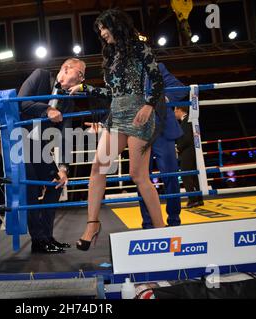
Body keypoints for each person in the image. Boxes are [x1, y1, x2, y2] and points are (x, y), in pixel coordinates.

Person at [69, 9, 166, 251]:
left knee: (138, 175)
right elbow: (112, 93)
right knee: (97, 169)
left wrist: (149, 105)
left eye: (104, 27)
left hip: (138, 116)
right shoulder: (111, 55)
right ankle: (92, 226)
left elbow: (158, 80)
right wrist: (86, 88)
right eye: (100, 30)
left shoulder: (139, 47)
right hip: (116, 115)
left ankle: (161, 231)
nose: (102, 33)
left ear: (117, 26)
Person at [18, 58, 86, 254]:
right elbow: (22, 102)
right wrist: (47, 109)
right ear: (66, 68)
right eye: (80, 74)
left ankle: (46, 237)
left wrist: (64, 168)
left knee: (57, 184)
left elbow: (66, 136)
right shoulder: (39, 75)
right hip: (22, 142)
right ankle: (38, 241)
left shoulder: (68, 101)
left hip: (40, 150)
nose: (82, 79)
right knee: (31, 189)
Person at [138, 62, 186, 229]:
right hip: (138, 132)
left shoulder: (156, 67)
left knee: (170, 177)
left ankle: (174, 220)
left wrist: (163, 98)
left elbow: (180, 89)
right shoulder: (121, 70)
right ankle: (148, 222)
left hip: (162, 129)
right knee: (142, 178)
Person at [174, 106, 204, 207]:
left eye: (175, 110)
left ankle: (193, 199)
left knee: (186, 175)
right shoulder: (189, 120)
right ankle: (199, 199)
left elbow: (187, 139)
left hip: (187, 152)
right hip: (192, 151)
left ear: (179, 110)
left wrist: (178, 148)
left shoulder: (186, 121)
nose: (174, 113)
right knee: (194, 175)